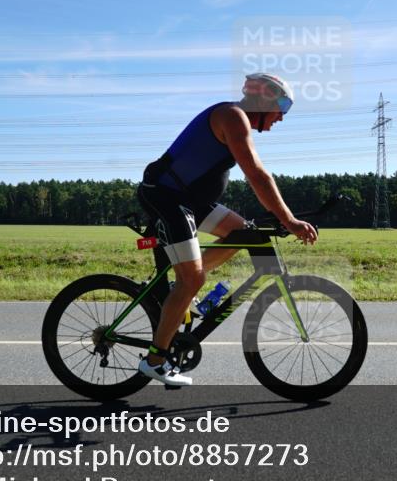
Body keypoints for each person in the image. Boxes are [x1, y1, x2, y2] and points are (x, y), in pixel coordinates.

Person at [136, 73, 318, 386]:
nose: (282, 117)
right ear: (265, 99)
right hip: (166, 197)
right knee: (192, 278)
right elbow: (258, 176)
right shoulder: (232, 117)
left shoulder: (237, 119)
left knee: (244, 233)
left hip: (188, 201)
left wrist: (278, 216)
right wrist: (289, 219)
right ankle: (155, 361)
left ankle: (183, 291)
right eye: (283, 106)